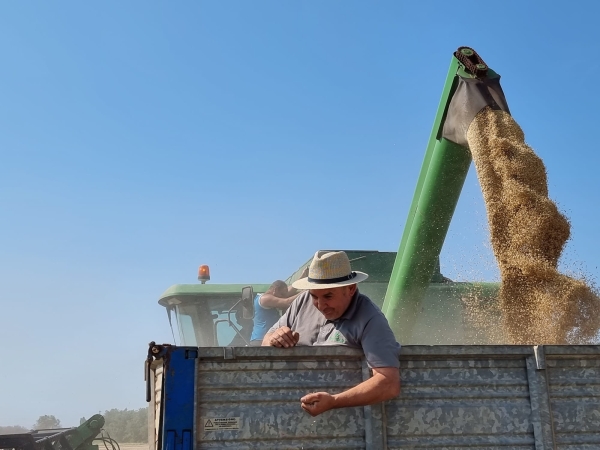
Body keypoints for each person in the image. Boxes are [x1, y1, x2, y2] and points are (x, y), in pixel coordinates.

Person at [262, 250, 401, 417]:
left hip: (345, 423)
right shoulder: (302, 301)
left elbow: (388, 382)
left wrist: (335, 401)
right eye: (314, 296)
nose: (320, 305)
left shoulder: (370, 319)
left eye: (328, 296)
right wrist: (275, 338)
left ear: (350, 288)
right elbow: (265, 341)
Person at [249, 279, 302, 346]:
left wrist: (301, 280)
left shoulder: (264, 297)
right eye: (282, 294)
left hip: (263, 339)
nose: (283, 297)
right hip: (261, 340)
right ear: (275, 290)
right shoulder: (265, 298)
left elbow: (288, 293)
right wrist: (307, 291)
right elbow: (287, 302)